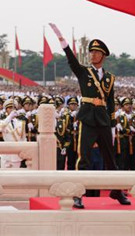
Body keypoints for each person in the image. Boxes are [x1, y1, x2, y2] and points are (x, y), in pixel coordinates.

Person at [49, 23, 130, 209]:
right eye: (91, 52)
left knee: (110, 158)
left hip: (103, 119)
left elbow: (110, 101)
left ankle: (117, 190)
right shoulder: (84, 72)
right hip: (87, 118)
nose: (92, 55)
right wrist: (62, 41)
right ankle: (78, 194)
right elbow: (71, 61)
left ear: (103, 55)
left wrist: (112, 124)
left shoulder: (110, 78)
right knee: (83, 157)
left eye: (96, 52)